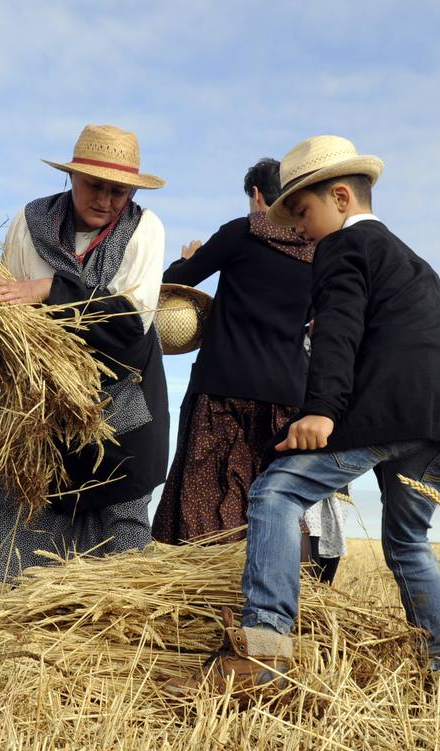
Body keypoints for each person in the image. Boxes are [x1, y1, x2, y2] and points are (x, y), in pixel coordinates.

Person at [165, 135, 440, 694]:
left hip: (389, 409)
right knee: (408, 543)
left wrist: (318, 409)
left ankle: (264, 650)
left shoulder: (344, 249)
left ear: (340, 197)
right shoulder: (413, 260)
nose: (299, 228)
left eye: (303, 212)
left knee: (274, 494)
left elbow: (338, 330)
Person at [0, 123, 169, 581]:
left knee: (119, 541)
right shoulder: (31, 224)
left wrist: (50, 289)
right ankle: (23, 633)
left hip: (119, 407)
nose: (106, 200)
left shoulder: (144, 228)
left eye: (118, 191)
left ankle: (115, 638)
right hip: (40, 409)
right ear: (71, 177)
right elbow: (5, 308)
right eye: (95, 186)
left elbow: (131, 321)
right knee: (20, 523)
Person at [152, 158, 315, 545]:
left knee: (203, 500)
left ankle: (206, 599)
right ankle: (273, 593)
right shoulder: (319, 249)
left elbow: (173, 281)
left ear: (257, 195)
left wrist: (188, 259)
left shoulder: (242, 232)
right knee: (274, 502)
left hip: (222, 389)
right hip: (285, 396)